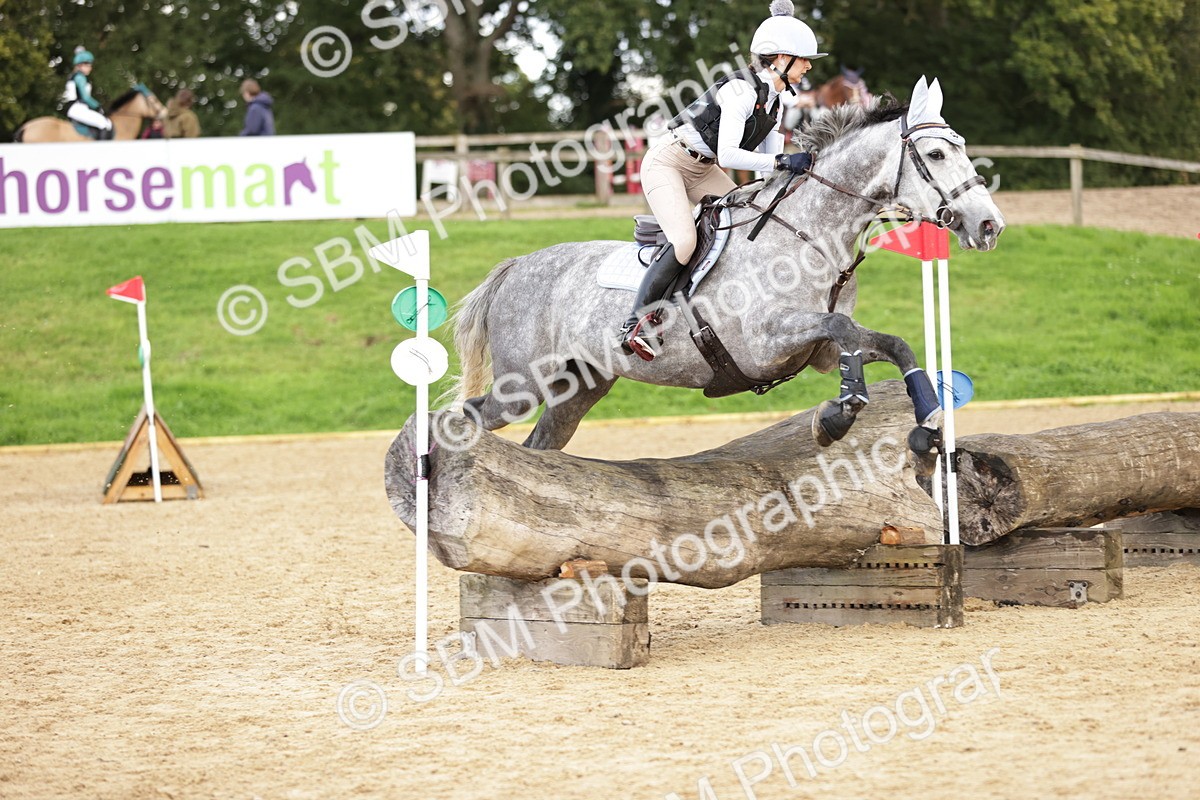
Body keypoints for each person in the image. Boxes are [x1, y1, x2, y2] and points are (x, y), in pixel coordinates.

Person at [616, 0, 825, 361]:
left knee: (749, 221)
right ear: (778, 59)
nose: (808, 66)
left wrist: (790, 179)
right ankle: (636, 323)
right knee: (684, 242)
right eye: (803, 58)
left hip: (703, 168)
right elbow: (730, 155)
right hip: (668, 162)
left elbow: (765, 172)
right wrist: (782, 160)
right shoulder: (741, 91)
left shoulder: (775, 103)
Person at [63, 46, 114, 140]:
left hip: (76, 108)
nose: (90, 68)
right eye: (87, 65)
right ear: (80, 66)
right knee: (105, 123)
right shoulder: (80, 77)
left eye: (90, 65)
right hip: (77, 108)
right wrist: (98, 106)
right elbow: (85, 97)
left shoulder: (75, 76)